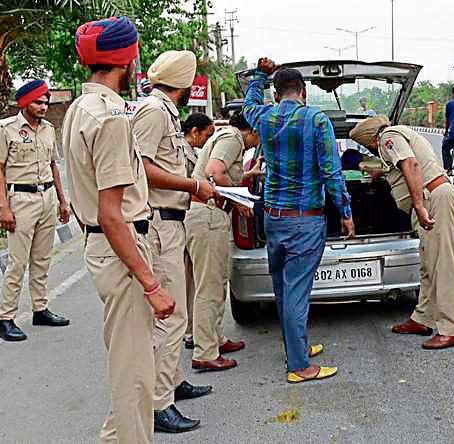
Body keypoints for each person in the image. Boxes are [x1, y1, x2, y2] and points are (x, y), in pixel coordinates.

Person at [62, 16, 176, 443]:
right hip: (123, 246)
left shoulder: (80, 107)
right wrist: (150, 283)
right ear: (127, 60)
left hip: (107, 246)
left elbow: (85, 198)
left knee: (131, 366)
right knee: (135, 378)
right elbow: (112, 213)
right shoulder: (110, 116)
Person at [243, 57, 354, 383]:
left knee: (283, 288)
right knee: (297, 291)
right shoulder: (317, 121)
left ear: (276, 95)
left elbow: (250, 102)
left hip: (274, 218)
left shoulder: (264, 116)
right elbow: (333, 172)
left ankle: (296, 348)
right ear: (303, 92)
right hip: (305, 221)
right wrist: (345, 212)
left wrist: (259, 75)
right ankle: (300, 367)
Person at [132, 50, 215, 434]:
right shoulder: (152, 111)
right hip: (160, 224)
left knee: (177, 310)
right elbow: (142, 169)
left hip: (174, 221)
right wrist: (194, 185)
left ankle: (173, 383)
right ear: (184, 80)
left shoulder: (165, 111)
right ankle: (159, 403)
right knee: (170, 318)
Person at [350, 116, 454, 349]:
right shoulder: (396, 137)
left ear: (372, 141)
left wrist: (420, 205)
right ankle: (422, 318)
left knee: (442, 265)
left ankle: (452, 329)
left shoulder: (388, 138)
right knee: (428, 264)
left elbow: (410, 164)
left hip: (434, 199)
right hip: (433, 198)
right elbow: (393, 167)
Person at [0, 80, 70, 342]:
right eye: (38, 102)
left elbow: (54, 165)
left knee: (42, 259)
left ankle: (40, 308)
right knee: (18, 262)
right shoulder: (5, 128)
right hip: (21, 198)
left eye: (46, 102)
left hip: (46, 196)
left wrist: (62, 200)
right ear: (25, 103)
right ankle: (5, 319)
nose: (44, 107)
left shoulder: (48, 129)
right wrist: (4, 207)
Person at [187, 112, 259, 371]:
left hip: (209, 215)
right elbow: (214, 172)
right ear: (251, 130)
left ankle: (215, 339)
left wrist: (249, 173)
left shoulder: (227, 137)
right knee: (209, 285)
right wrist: (240, 202)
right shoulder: (233, 138)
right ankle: (205, 352)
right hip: (207, 215)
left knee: (217, 281)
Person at [181, 113, 215, 350]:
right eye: (206, 135)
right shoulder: (181, 153)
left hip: (185, 218)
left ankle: (191, 330)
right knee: (188, 279)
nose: (206, 140)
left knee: (192, 278)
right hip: (181, 217)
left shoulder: (193, 152)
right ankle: (189, 331)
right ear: (194, 132)